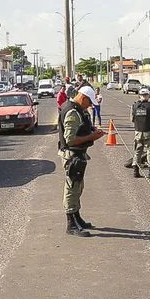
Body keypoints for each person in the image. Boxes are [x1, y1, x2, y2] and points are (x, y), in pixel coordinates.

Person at [58, 85, 106, 237]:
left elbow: (82, 127)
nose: (90, 106)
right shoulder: (72, 112)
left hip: (78, 155)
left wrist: (92, 130)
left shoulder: (79, 109)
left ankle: (77, 217)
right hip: (72, 155)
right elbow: (70, 140)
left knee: (78, 186)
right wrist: (91, 137)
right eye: (89, 102)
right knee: (72, 188)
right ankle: (71, 224)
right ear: (83, 98)